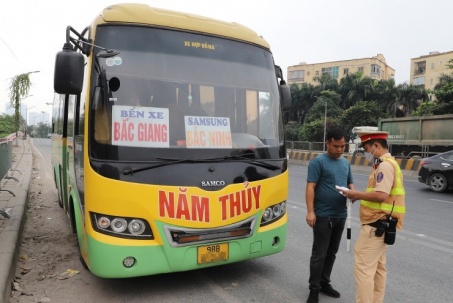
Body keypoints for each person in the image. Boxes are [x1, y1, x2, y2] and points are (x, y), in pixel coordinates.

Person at [341, 131, 406, 303]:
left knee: (363, 270)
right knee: (378, 270)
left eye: (368, 149)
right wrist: (358, 196)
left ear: (376, 146)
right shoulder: (390, 164)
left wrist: (355, 193)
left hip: (376, 226)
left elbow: (381, 195)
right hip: (383, 225)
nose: (368, 153)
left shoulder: (384, 166)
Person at [305, 128, 355, 303]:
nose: (340, 150)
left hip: (341, 215)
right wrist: (310, 212)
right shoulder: (318, 162)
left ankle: (325, 282)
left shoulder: (345, 163)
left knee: (332, 252)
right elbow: (310, 187)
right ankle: (314, 288)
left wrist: (353, 194)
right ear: (327, 143)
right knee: (319, 254)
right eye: (336, 146)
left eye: (342, 146)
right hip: (323, 216)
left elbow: (350, 183)